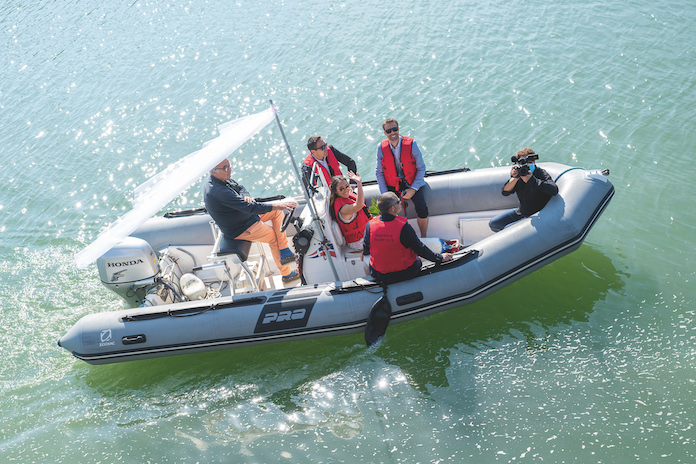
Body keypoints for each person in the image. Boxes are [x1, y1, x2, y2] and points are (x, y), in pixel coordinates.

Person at [204, 158, 300, 283]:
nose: (230, 169)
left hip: (246, 216)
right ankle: (287, 274)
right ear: (215, 171)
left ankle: (283, 250)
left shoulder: (222, 179)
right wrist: (279, 204)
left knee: (276, 213)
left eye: (229, 165)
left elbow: (240, 187)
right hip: (242, 227)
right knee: (274, 237)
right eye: (226, 168)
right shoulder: (218, 191)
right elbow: (250, 208)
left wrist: (246, 196)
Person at [363, 192, 452, 284]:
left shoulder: (370, 225)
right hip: (403, 273)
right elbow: (420, 249)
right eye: (398, 202)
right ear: (392, 209)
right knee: (419, 259)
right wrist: (439, 257)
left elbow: (365, 249)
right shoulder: (403, 226)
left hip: (379, 274)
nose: (401, 203)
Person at [375, 118, 429, 237]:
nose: (392, 133)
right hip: (393, 184)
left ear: (398, 129)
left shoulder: (411, 144)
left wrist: (413, 189)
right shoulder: (381, 148)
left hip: (411, 182)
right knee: (388, 211)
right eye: (389, 131)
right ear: (385, 133)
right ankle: (398, 238)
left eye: (395, 129)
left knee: (422, 207)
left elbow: (421, 168)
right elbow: (379, 173)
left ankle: (424, 237)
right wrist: (385, 195)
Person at [488, 147, 559, 232]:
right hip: (522, 212)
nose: (526, 165)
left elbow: (554, 190)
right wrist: (515, 178)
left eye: (529, 162)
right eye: (522, 162)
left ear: (534, 161)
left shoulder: (540, 173)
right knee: (494, 223)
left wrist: (532, 180)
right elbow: (505, 192)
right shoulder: (520, 173)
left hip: (538, 214)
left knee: (508, 229)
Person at [329, 172, 372, 251]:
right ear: (335, 191)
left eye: (346, 186)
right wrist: (359, 183)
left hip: (365, 233)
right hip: (359, 241)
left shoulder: (345, 198)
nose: (345, 190)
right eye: (341, 189)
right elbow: (359, 205)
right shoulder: (343, 208)